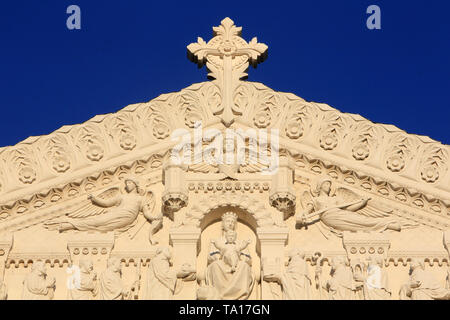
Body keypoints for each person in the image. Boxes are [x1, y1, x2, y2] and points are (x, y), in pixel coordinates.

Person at [205, 212, 254, 300]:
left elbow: (248, 259)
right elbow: (210, 258)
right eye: (228, 221)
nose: (230, 223)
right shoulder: (216, 241)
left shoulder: (240, 242)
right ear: (223, 224)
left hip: (237, 265)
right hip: (221, 264)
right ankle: (219, 294)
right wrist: (221, 256)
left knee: (244, 266)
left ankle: (240, 294)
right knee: (215, 265)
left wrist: (239, 257)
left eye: (232, 222)